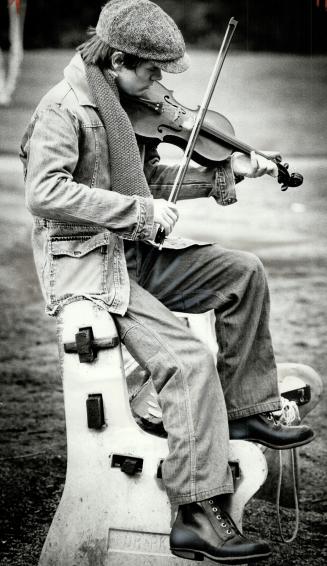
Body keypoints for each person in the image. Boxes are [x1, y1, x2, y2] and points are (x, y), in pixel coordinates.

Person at [20, 0, 314, 563]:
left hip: (131, 256)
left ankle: (248, 407)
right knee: (186, 361)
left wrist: (223, 175)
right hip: (91, 269)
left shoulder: (119, 106)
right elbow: (46, 193)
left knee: (241, 273)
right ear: (117, 60)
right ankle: (197, 511)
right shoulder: (64, 108)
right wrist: (140, 213)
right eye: (152, 72)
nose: (159, 87)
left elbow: (152, 180)